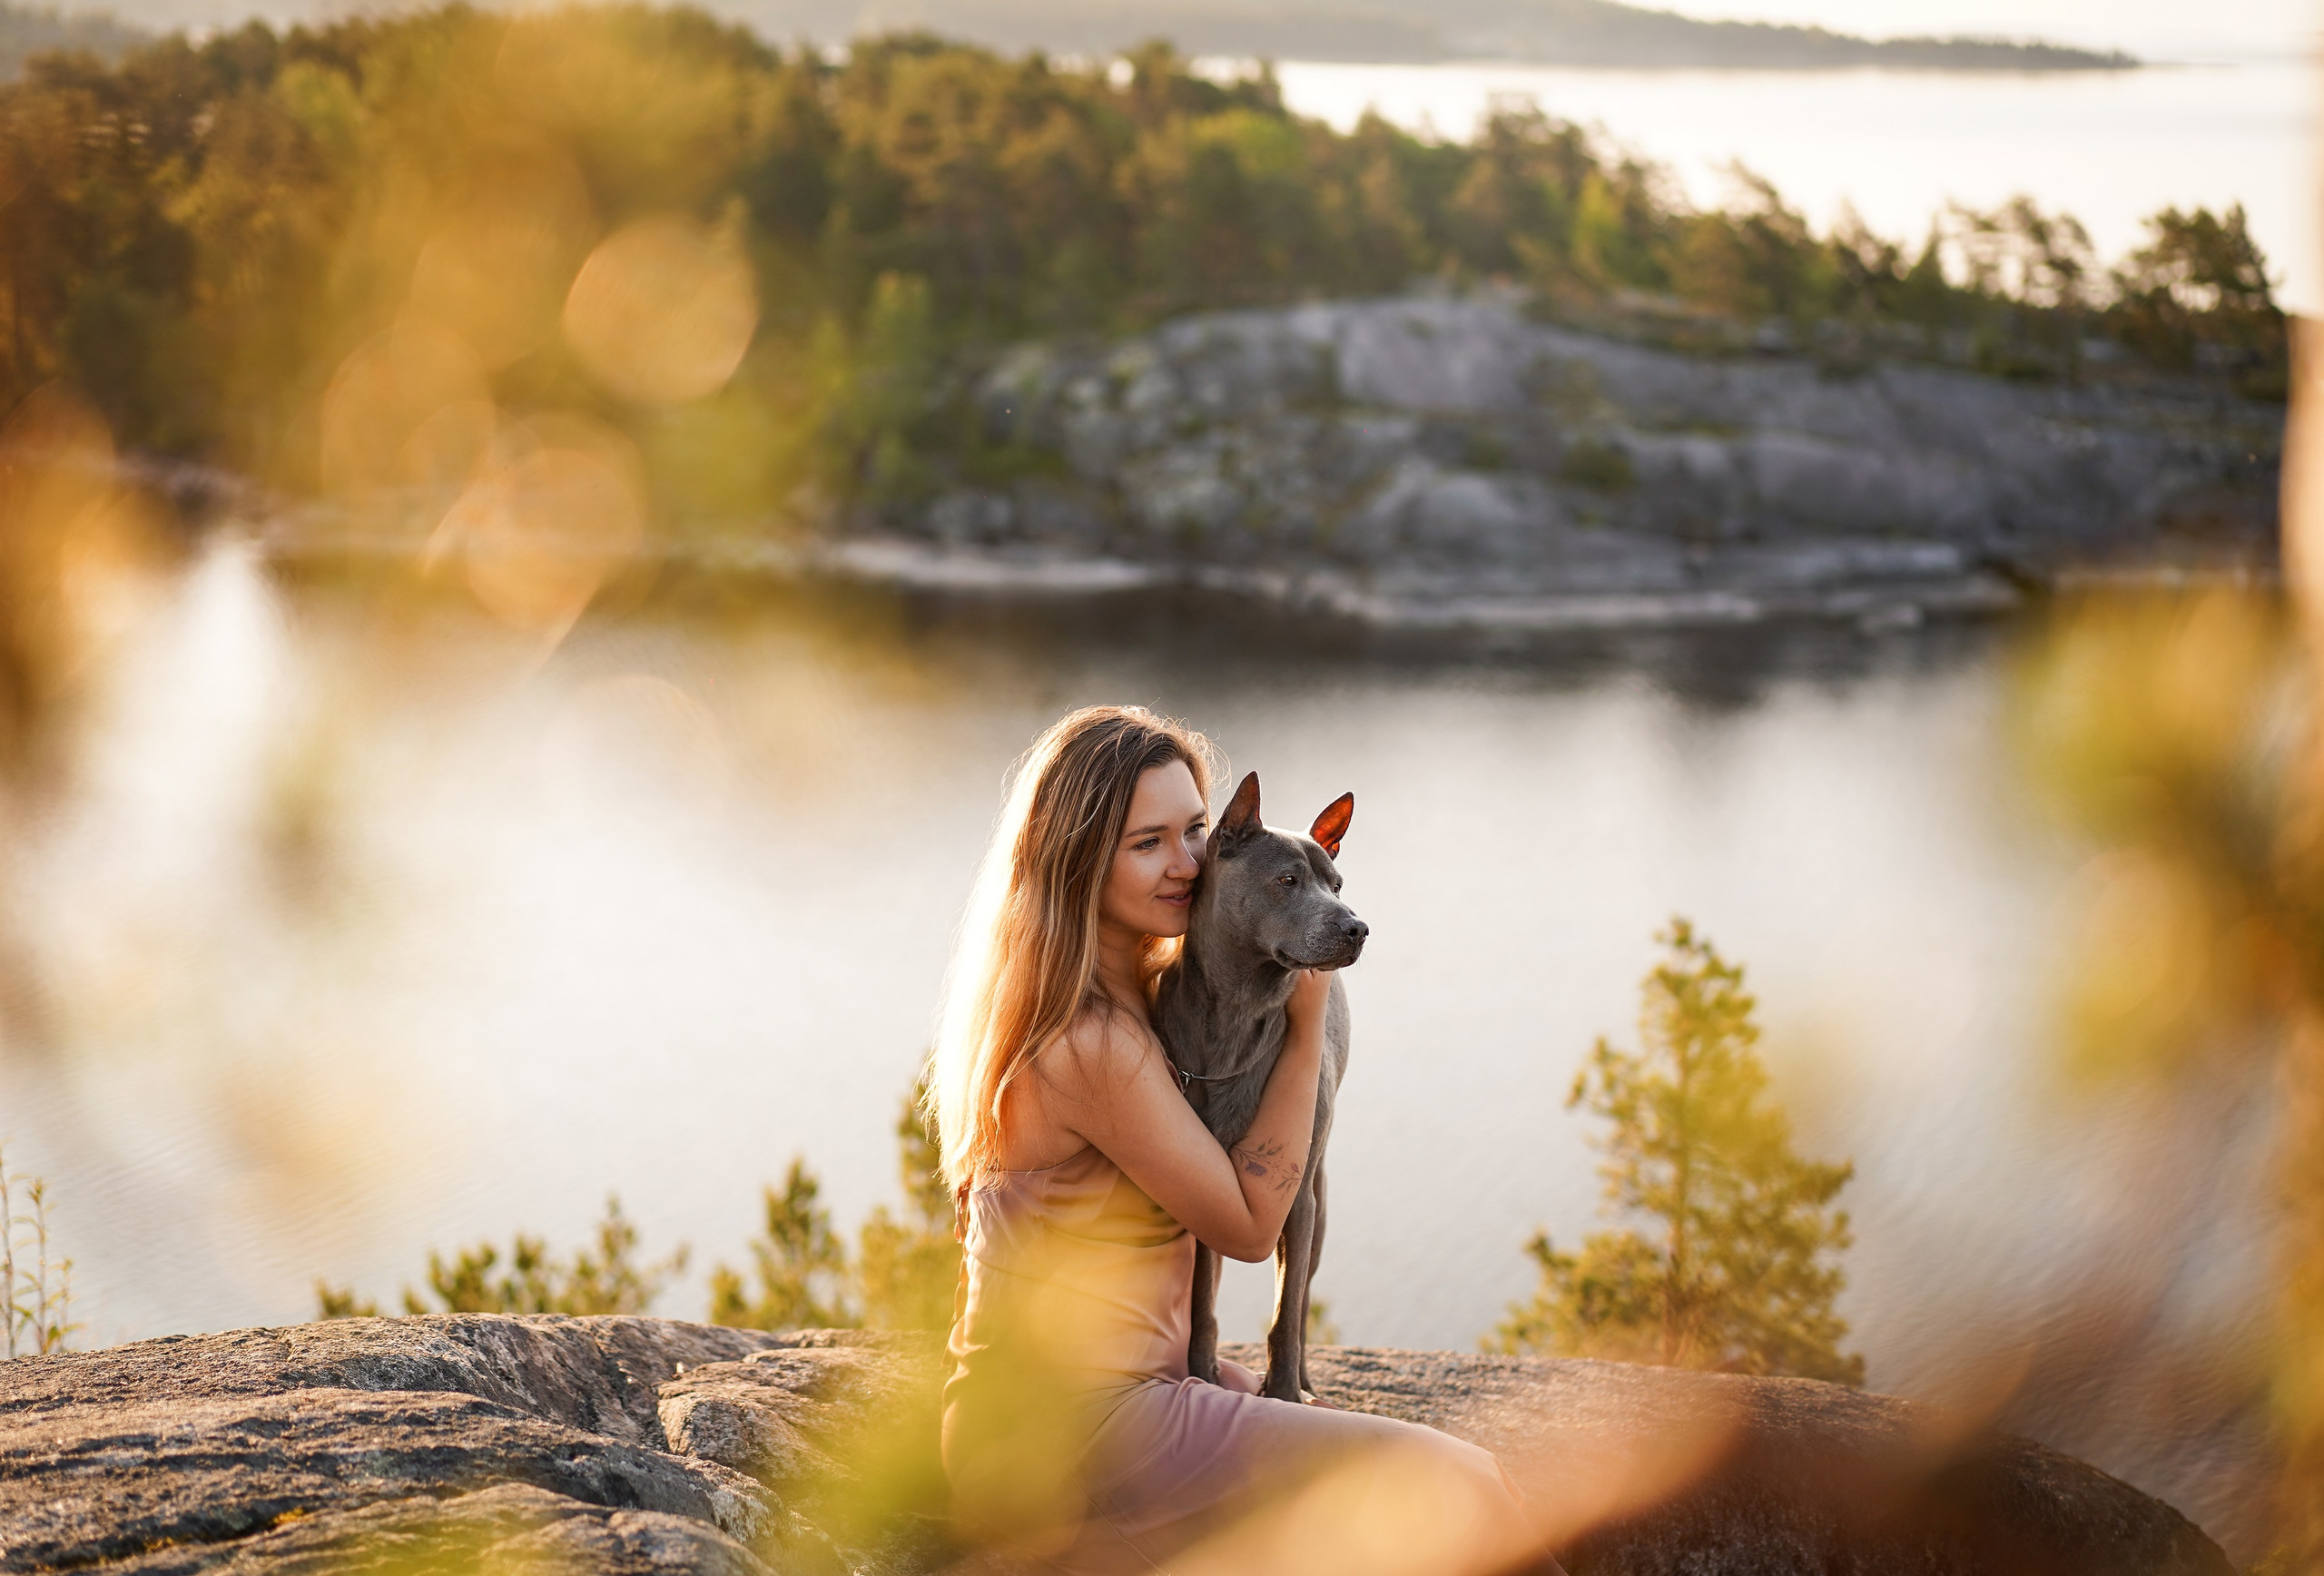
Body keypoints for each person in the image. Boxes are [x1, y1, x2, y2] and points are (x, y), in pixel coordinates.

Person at [928, 704, 1558, 1575]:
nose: (1191, 863)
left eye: (1195, 829)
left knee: (1351, 1478)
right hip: (1068, 1434)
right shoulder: (1095, 1046)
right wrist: (1307, 1023)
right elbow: (1254, 1228)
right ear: (1076, 862)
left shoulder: (1136, 1004)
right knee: (1455, 1479)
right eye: (1148, 843)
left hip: (1075, 1409)